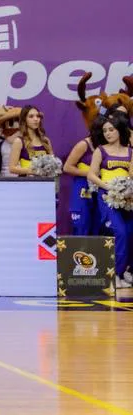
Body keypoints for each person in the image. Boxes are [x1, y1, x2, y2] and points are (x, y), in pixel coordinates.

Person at [86, 115, 133, 287]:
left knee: (129, 234)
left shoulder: (130, 151)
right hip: (107, 197)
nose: (107, 133)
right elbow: (91, 174)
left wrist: (127, 189)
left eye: (111, 130)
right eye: (105, 130)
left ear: (120, 130)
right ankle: (115, 274)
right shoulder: (100, 150)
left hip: (127, 198)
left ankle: (120, 274)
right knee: (119, 232)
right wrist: (108, 186)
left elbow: (131, 174)